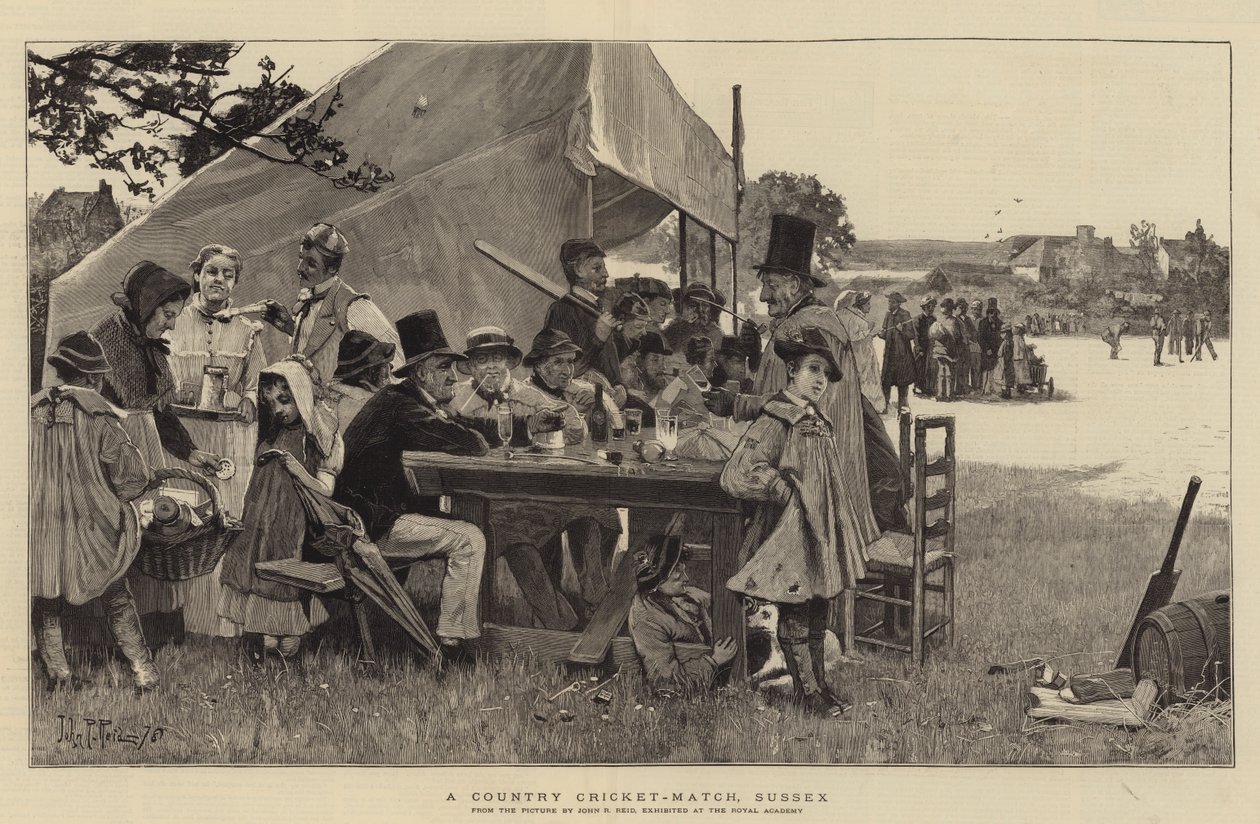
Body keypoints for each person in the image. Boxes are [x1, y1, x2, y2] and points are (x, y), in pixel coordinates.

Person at [336, 311, 564, 660]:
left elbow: (466, 426)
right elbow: (468, 441)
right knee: (471, 538)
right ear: (421, 371)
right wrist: (493, 432)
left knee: (474, 528)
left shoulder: (414, 400)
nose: (452, 376)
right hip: (366, 526)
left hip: (371, 515)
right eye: (444, 368)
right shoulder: (403, 407)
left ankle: (462, 634)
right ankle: (453, 643)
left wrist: (528, 424)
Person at [702, 213, 910, 540]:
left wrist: (739, 404)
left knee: (731, 493)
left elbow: (799, 405)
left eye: (770, 286)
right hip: (820, 468)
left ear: (795, 285)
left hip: (820, 488)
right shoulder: (811, 321)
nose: (763, 297)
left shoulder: (806, 327)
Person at [720, 326, 858, 717]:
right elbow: (739, 471)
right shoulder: (776, 419)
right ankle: (807, 693)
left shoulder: (815, 418)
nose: (819, 380)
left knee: (817, 607)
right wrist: (783, 492)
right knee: (797, 609)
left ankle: (819, 688)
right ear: (792, 370)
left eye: (825, 375)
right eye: (813, 369)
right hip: (788, 533)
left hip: (817, 530)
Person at [90, 261, 222, 648]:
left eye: (175, 316)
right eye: (167, 315)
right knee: (121, 536)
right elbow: (94, 416)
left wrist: (194, 454)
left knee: (156, 533)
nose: (171, 324)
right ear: (145, 306)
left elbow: (160, 415)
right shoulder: (103, 341)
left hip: (147, 448)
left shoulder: (152, 350)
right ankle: (110, 637)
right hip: (114, 453)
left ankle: (159, 631)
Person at [452, 327, 619, 628]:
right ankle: (562, 624)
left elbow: (574, 431)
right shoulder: (456, 402)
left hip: (536, 493)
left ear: (509, 363)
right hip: (489, 500)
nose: (491, 366)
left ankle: (600, 607)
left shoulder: (530, 397)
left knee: (593, 509)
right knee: (517, 533)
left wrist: (571, 411)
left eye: (498, 358)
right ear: (472, 367)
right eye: (482, 360)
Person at [31, 332, 158, 690]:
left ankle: (59, 674)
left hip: (42, 527)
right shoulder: (99, 414)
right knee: (116, 596)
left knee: (47, 600)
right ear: (91, 378)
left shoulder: (30, 410)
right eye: (100, 376)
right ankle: (144, 672)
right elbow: (133, 478)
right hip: (92, 526)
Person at [167, 244, 266, 637]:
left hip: (230, 438)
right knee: (187, 518)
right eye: (211, 272)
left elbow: (259, 381)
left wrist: (249, 399)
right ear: (197, 276)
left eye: (227, 275)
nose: (218, 281)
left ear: (235, 283)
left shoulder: (247, 330)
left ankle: (223, 624)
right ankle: (182, 618)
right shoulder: (175, 321)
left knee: (227, 520)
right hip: (186, 435)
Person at [219, 357, 342, 660]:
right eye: (271, 403)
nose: (278, 410)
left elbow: (326, 488)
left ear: (301, 393)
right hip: (260, 520)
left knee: (284, 570)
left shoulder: (320, 436)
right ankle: (265, 630)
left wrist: (298, 471)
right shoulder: (273, 434)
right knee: (256, 567)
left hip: (294, 522)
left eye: (285, 400)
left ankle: (289, 630)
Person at [259, 223, 404, 385]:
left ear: (333, 269)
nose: (300, 268)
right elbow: (318, 350)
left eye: (311, 264)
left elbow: (397, 360)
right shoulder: (306, 301)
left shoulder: (354, 306)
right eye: (301, 258)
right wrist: (290, 328)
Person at [628, 535, 736, 694]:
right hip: (703, 689)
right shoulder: (646, 621)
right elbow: (666, 683)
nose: (687, 578)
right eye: (677, 572)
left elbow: (712, 601)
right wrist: (713, 661)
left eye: (683, 569)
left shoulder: (678, 597)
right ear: (658, 577)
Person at [541, 238, 626, 405]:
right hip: (578, 401)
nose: (606, 274)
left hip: (607, 397)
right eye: (597, 268)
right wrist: (598, 340)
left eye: (604, 267)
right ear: (578, 270)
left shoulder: (600, 308)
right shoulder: (563, 310)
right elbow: (562, 372)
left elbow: (609, 360)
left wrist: (619, 385)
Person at [326, 330, 396, 435]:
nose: (389, 368)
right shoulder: (367, 406)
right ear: (370, 371)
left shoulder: (332, 392)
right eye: (383, 364)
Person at [833, 290, 883, 409]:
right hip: (859, 355)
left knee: (869, 379)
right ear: (861, 305)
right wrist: (869, 329)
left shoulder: (859, 316)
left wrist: (872, 333)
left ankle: (871, 406)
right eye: (867, 304)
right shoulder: (853, 317)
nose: (870, 306)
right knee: (862, 379)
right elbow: (853, 337)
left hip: (866, 353)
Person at [664, 282, 727, 359]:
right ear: (686, 307)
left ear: (710, 309)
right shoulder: (673, 331)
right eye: (694, 304)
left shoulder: (716, 334)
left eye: (705, 305)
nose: (700, 310)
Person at [877, 291, 916, 413]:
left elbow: (911, 335)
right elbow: (885, 333)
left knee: (902, 383)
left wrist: (901, 330)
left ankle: (903, 408)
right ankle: (884, 406)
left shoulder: (905, 315)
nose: (889, 303)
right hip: (890, 355)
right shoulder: (888, 315)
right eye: (889, 301)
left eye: (892, 302)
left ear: (898, 304)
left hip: (902, 356)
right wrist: (881, 334)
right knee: (886, 382)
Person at [622, 331, 673, 423]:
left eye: (663, 360)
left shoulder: (666, 393)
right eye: (655, 360)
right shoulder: (629, 397)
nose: (663, 367)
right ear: (639, 362)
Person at [929, 298, 959, 402]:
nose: (942, 308)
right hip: (940, 349)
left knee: (949, 372)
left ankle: (949, 394)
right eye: (941, 306)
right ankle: (941, 394)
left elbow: (956, 336)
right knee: (941, 372)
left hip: (949, 349)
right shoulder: (939, 320)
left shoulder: (954, 321)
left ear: (949, 309)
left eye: (944, 306)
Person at [977, 297, 1003, 395]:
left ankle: (994, 388)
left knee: (995, 369)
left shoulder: (1000, 323)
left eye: (995, 313)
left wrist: (999, 348)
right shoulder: (982, 323)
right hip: (986, 351)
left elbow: (1001, 337)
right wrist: (986, 349)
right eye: (991, 312)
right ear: (988, 313)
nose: (993, 315)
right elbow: (980, 338)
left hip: (996, 351)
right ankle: (985, 388)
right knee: (985, 369)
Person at [913, 297, 938, 397]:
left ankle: (928, 388)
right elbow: (916, 335)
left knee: (930, 368)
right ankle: (918, 387)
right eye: (928, 306)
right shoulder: (917, 319)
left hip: (931, 348)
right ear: (923, 307)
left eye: (932, 306)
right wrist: (919, 348)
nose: (931, 308)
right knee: (920, 367)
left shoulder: (933, 319)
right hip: (921, 348)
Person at [996, 324, 1016, 399]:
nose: (1002, 335)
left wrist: (1005, 363)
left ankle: (1006, 394)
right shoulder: (1007, 341)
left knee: (1005, 378)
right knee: (1006, 378)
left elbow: (1007, 354)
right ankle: (1006, 393)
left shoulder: (1007, 342)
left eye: (1003, 333)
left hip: (1006, 362)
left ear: (1007, 334)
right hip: (1005, 362)